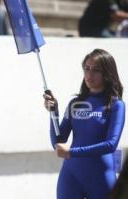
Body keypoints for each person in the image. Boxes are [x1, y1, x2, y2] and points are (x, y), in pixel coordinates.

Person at [43, 49, 125, 199]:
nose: (89, 74)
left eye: (96, 70)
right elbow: (58, 142)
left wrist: (72, 152)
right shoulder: (75, 103)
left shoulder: (116, 105)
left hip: (100, 176)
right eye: (87, 68)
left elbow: (111, 144)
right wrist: (53, 112)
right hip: (71, 174)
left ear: (107, 74)